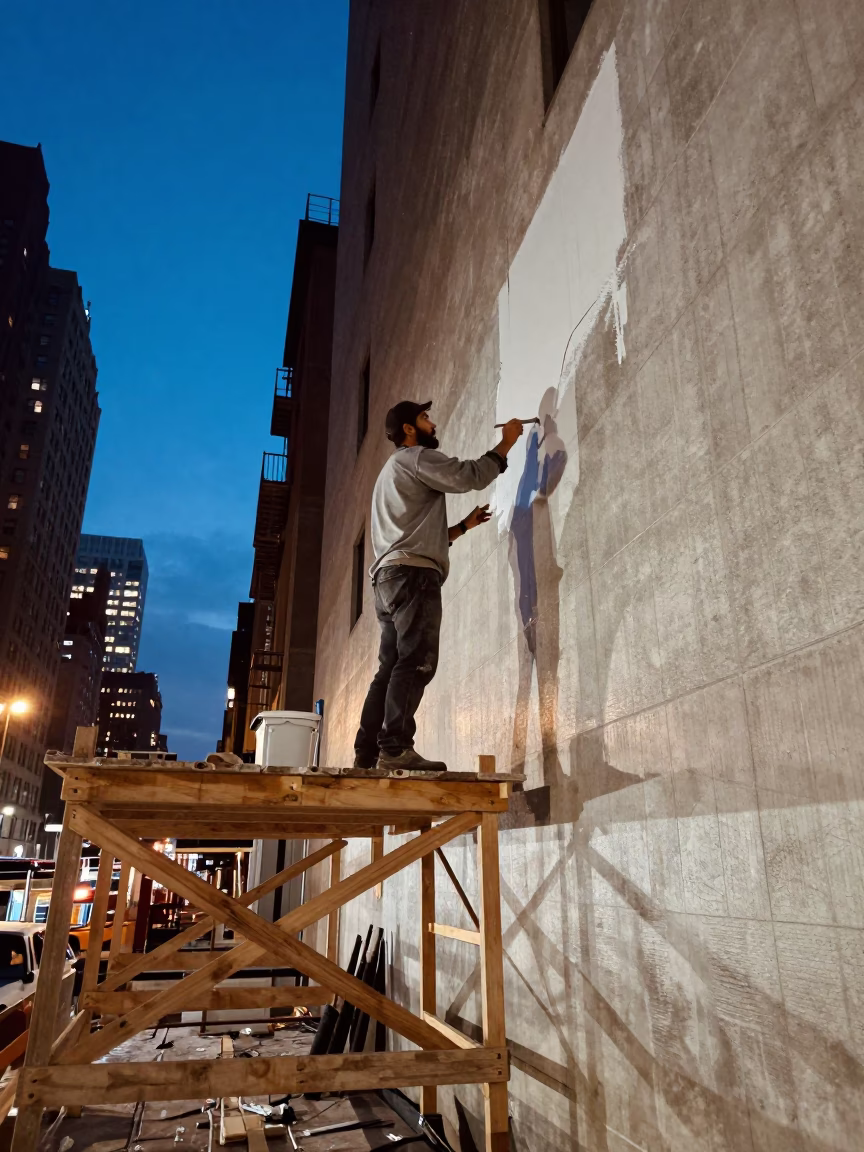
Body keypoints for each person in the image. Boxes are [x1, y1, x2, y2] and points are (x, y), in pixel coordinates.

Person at [354, 400, 525, 771]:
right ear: (409, 430)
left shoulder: (388, 474)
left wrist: (463, 527)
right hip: (413, 577)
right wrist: (506, 443)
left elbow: (411, 535)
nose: (433, 423)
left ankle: (366, 755)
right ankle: (396, 748)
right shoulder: (415, 457)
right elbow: (468, 476)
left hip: (387, 579)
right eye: (425, 418)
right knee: (416, 661)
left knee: (390, 667)